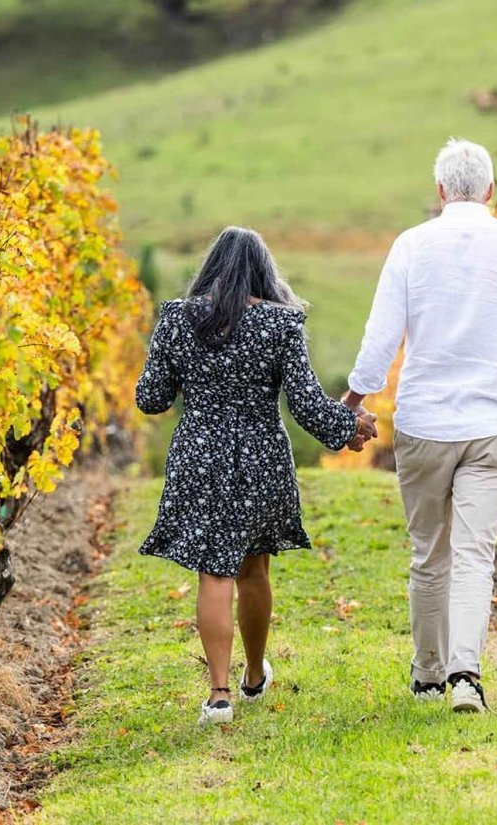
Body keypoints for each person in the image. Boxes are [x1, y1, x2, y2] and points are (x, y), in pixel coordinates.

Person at [344, 138, 497, 713]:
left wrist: (352, 400)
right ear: (491, 190)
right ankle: (467, 676)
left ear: (440, 191)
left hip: (426, 421)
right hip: (492, 422)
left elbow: (381, 338)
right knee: (474, 554)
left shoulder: (411, 246)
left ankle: (427, 674)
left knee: (428, 551)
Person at [135, 227, 378, 727]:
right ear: (265, 272)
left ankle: (219, 695)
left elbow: (150, 399)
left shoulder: (179, 320)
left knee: (213, 572)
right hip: (260, 456)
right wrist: (350, 427)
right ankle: (252, 676)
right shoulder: (281, 324)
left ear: (210, 269)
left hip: (199, 455)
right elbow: (307, 405)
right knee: (253, 568)